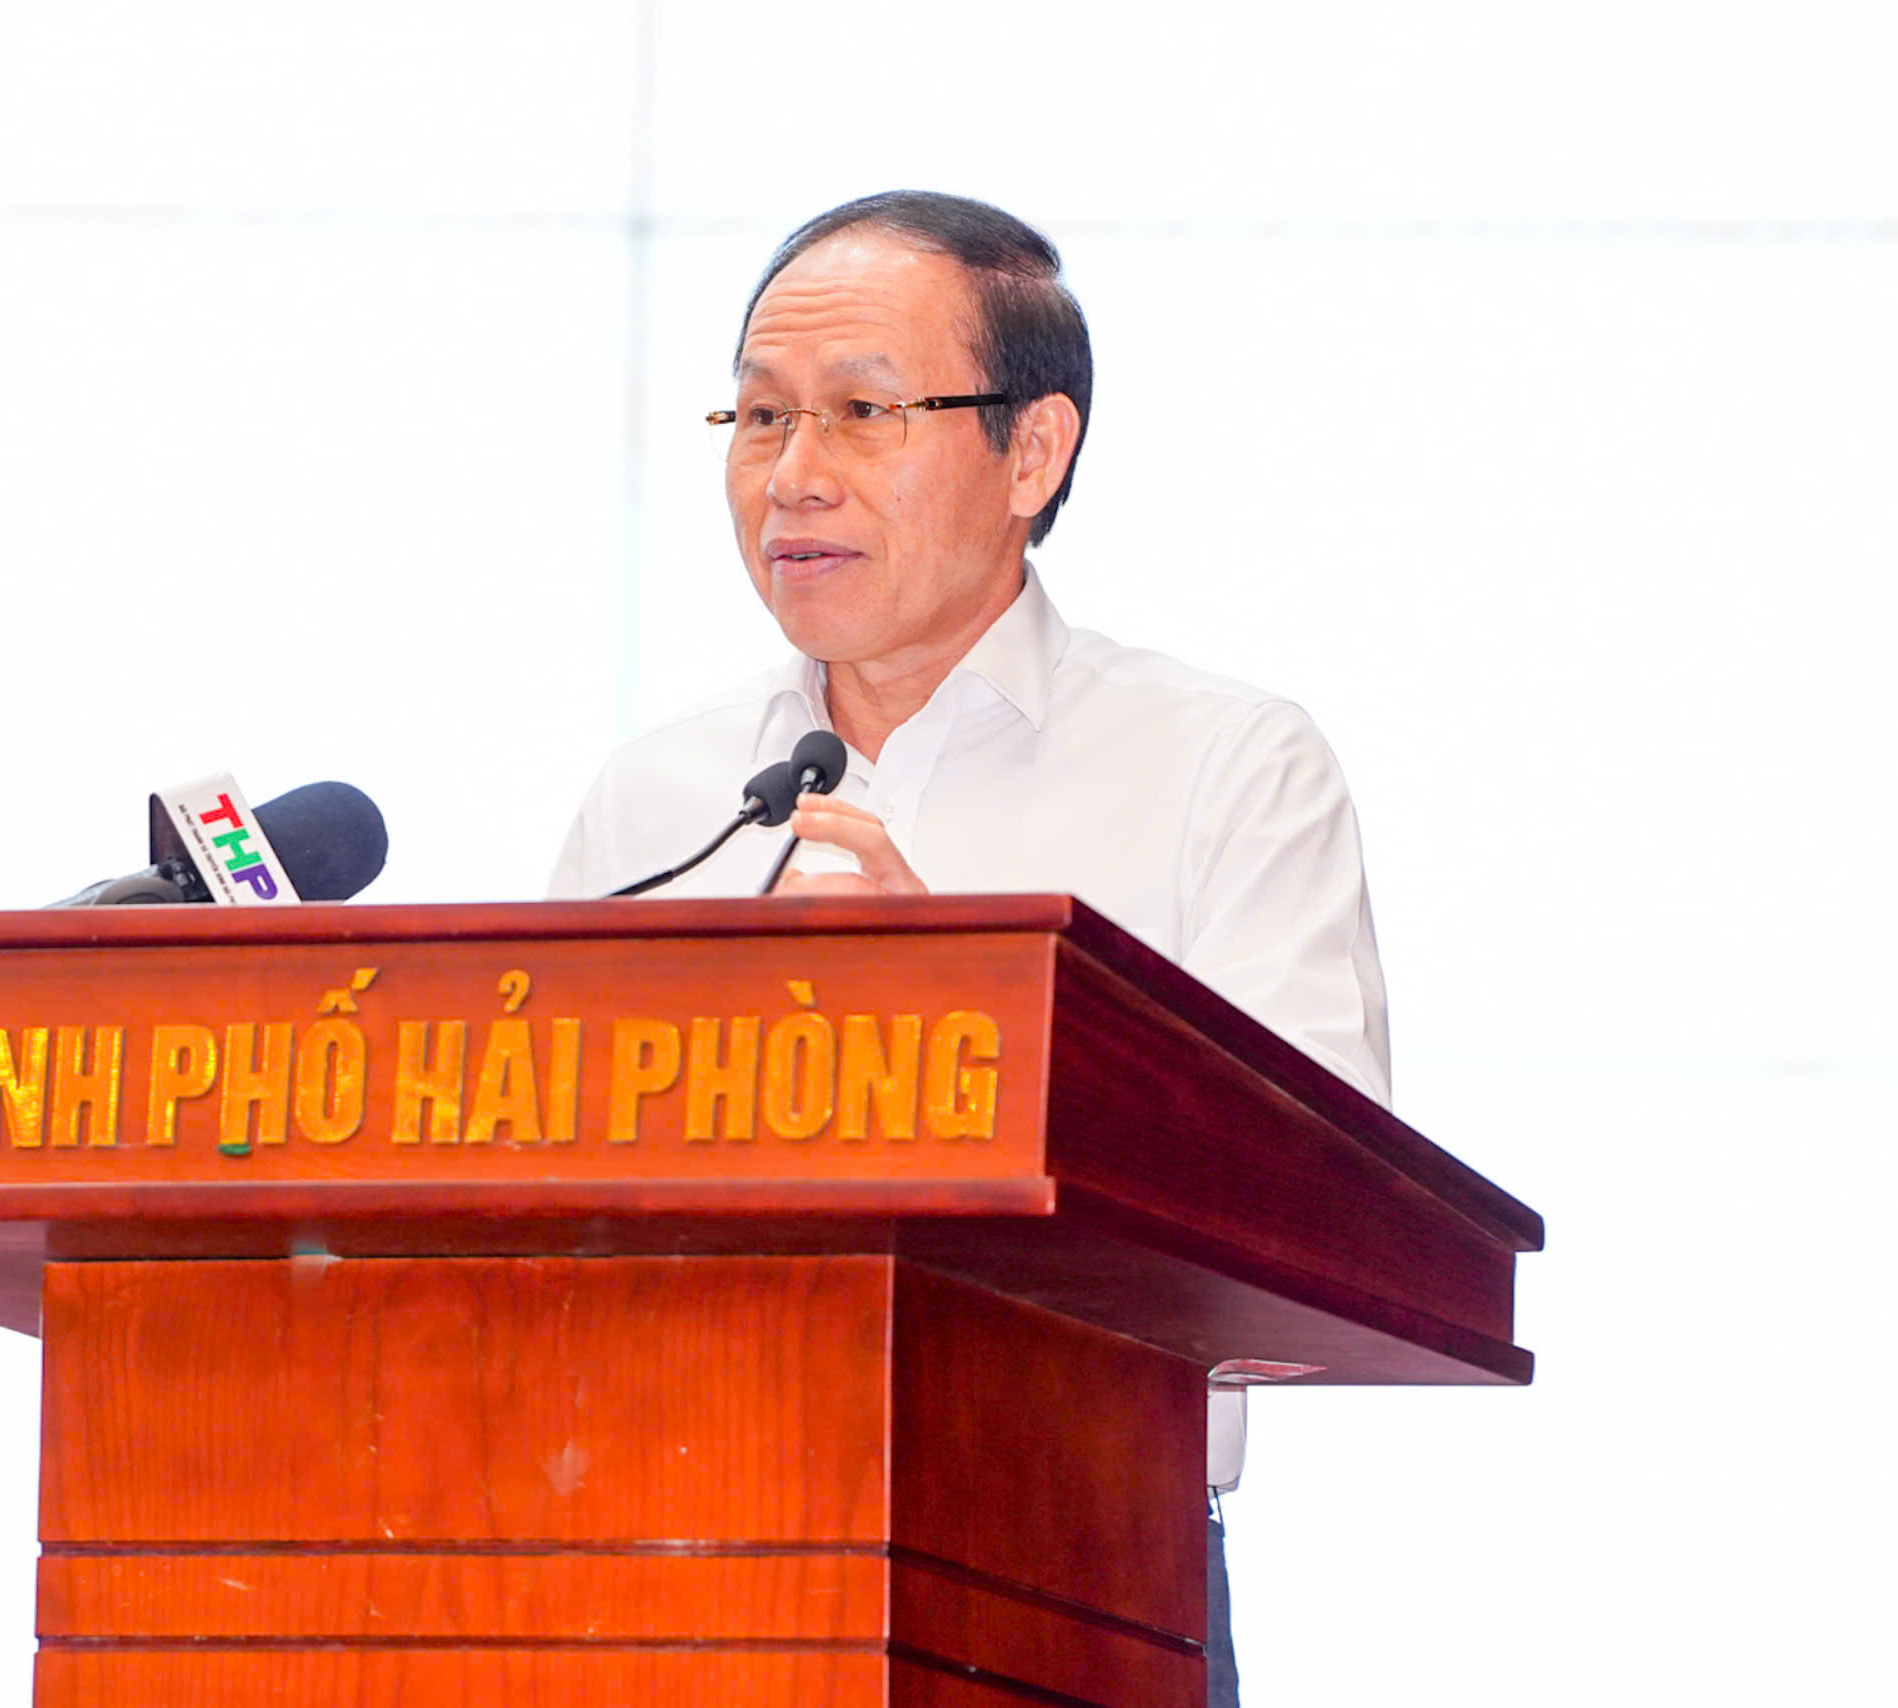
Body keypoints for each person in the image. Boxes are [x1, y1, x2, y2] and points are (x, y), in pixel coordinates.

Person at [548, 190, 1394, 1706]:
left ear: (1033, 452)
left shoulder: (1224, 768)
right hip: (670, 1554)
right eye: (760, 416)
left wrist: (957, 1022)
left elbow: (1320, 1224)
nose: (793, 475)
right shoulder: (662, 797)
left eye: (862, 411)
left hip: (1076, 1559)